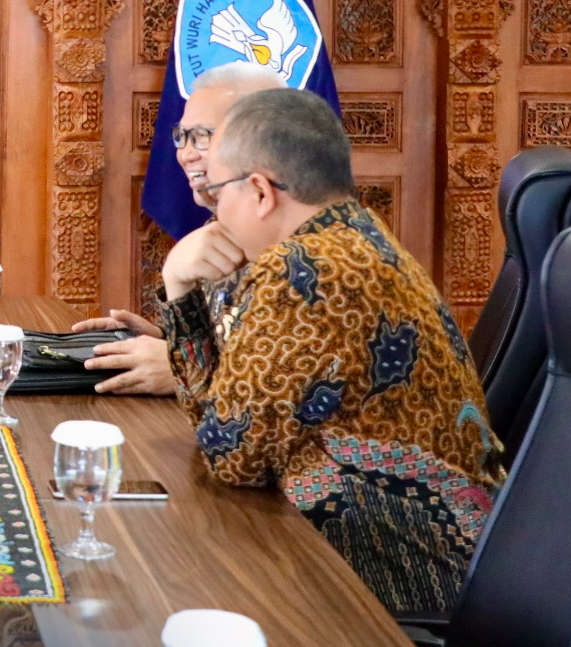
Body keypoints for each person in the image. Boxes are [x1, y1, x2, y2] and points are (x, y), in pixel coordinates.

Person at [157, 87, 505, 614]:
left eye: (219, 192)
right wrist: (183, 294)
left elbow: (230, 454)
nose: (216, 211)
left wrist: (177, 283)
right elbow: (228, 419)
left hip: (407, 571)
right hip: (446, 555)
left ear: (260, 192)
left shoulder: (305, 270)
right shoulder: (352, 233)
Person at [72, 63, 286, 395]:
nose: (185, 154)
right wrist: (164, 339)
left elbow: (292, 386)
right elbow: (225, 344)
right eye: (182, 136)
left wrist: (182, 370)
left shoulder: (306, 247)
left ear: (261, 142)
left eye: (202, 137)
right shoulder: (221, 225)